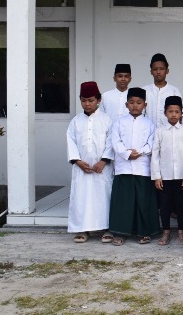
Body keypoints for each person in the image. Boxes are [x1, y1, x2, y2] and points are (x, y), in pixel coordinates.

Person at [108, 87, 159, 245]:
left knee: (143, 202)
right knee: (123, 202)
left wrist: (141, 152)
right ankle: (120, 232)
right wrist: (126, 153)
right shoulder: (119, 123)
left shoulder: (150, 123)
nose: (135, 105)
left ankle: (144, 232)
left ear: (145, 104)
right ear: (126, 104)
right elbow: (115, 142)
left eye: (138, 102)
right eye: (131, 102)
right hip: (123, 167)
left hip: (143, 167)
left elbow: (152, 142)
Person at [66, 81, 114, 244]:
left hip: (102, 169)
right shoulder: (76, 121)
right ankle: (82, 229)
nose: (87, 104)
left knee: (104, 198)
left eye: (91, 100)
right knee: (81, 198)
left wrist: (103, 161)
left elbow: (111, 142)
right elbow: (71, 142)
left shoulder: (107, 120)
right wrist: (77, 161)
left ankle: (107, 228)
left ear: (98, 100)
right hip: (82, 169)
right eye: (84, 100)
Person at [151, 96, 183, 246]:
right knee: (165, 205)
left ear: (182, 113)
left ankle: (181, 231)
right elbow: (155, 154)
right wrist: (156, 176)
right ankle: (166, 231)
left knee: (181, 204)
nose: (174, 114)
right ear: (165, 113)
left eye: (177, 111)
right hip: (165, 176)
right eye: (170, 111)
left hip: (181, 176)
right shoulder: (159, 132)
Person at [143, 53, 181, 128]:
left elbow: (179, 115)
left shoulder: (174, 91)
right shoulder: (144, 90)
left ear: (167, 71)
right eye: (155, 69)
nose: (158, 72)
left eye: (161, 69)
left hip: (168, 134)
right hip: (149, 133)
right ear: (151, 72)